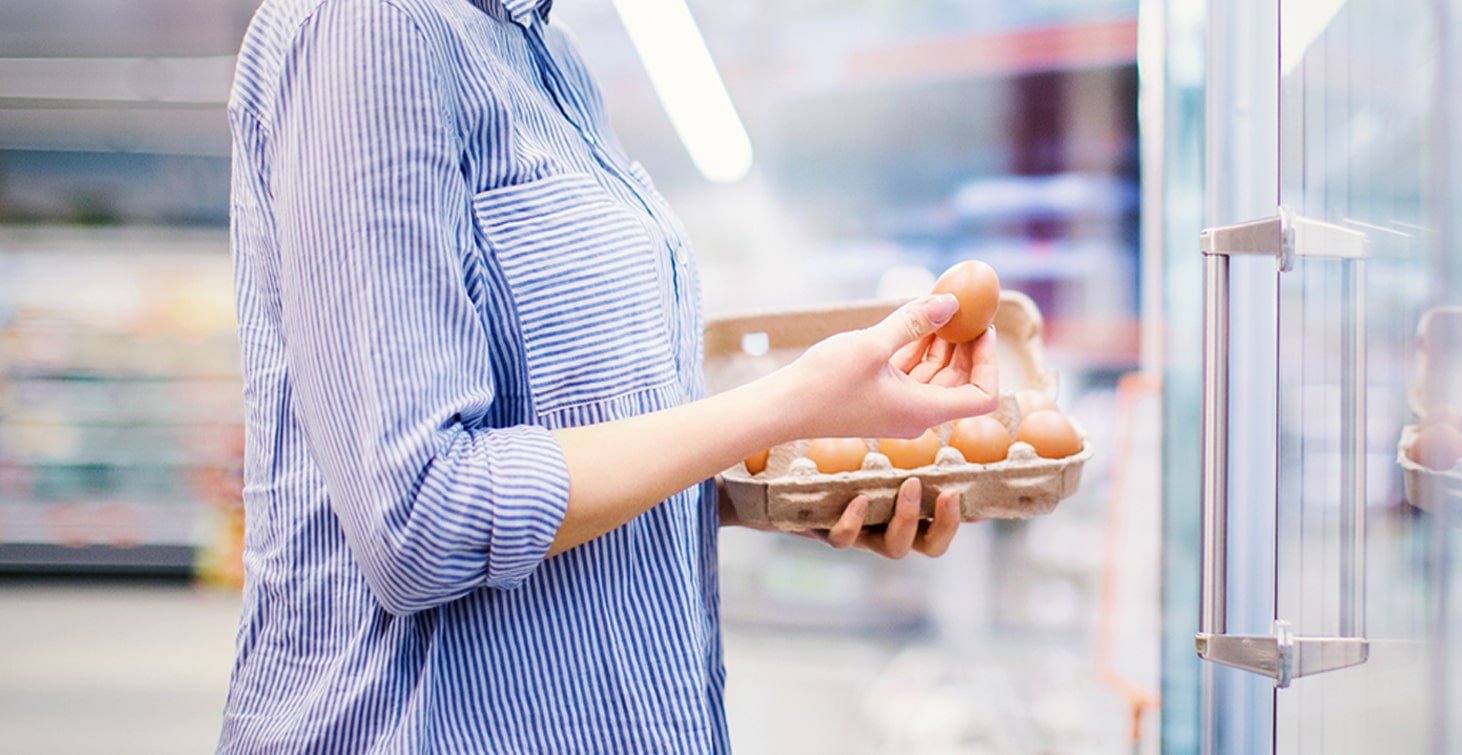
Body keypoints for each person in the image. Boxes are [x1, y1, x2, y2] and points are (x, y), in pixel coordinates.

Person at [216, 0, 999, 751]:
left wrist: (767, 494)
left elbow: (569, 439)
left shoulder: (547, 55)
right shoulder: (370, 29)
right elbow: (422, 517)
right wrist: (786, 406)